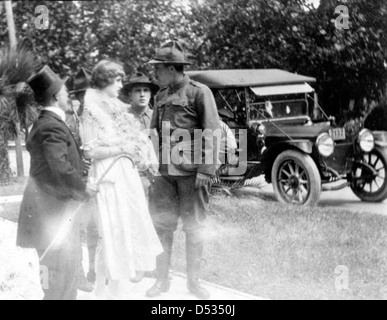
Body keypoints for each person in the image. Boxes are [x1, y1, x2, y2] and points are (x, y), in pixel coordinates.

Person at [79, 60, 163, 299]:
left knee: (122, 234)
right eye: (116, 81)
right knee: (112, 235)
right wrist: (123, 148)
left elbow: (126, 139)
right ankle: (104, 292)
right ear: (104, 82)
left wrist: (136, 147)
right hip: (108, 176)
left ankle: (115, 291)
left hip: (123, 174)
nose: (120, 86)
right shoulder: (91, 110)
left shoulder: (114, 108)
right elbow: (90, 151)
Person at [16, 65, 98, 300]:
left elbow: (54, 164)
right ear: (55, 97)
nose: (68, 96)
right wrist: (83, 187)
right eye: (64, 92)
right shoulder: (51, 125)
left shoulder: (43, 123)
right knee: (60, 283)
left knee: (54, 282)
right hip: (52, 215)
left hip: (47, 213)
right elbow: (58, 165)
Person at [147, 41, 221, 300]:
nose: (155, 74)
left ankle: (193, 283)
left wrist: (206, 169)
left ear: (170, 67)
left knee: (194, 227)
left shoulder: (200, 93)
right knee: (162, 226)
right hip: (165, 174)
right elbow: (154, 134)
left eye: (158, 68)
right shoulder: (160, 96)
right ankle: (161, 281)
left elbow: (212, 131)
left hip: (192, 175)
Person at [67, 68, 99, 291]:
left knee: (98, 228)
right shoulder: (71, 122)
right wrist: (81, 163)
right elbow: (65, 155)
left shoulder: (103, 119)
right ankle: (78, 273)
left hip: (102, 181)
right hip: (80, 183)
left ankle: (95, 269)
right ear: (77, 97)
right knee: (78, 228)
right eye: (83, 95)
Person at [122, 72, 160, 199]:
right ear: (130, 95)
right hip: (131, 175)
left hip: (158, 175)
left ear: (150, 95)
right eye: (137, 91)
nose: (142, 94)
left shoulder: (159, 117)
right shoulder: (121, 118)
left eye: (146, 90)